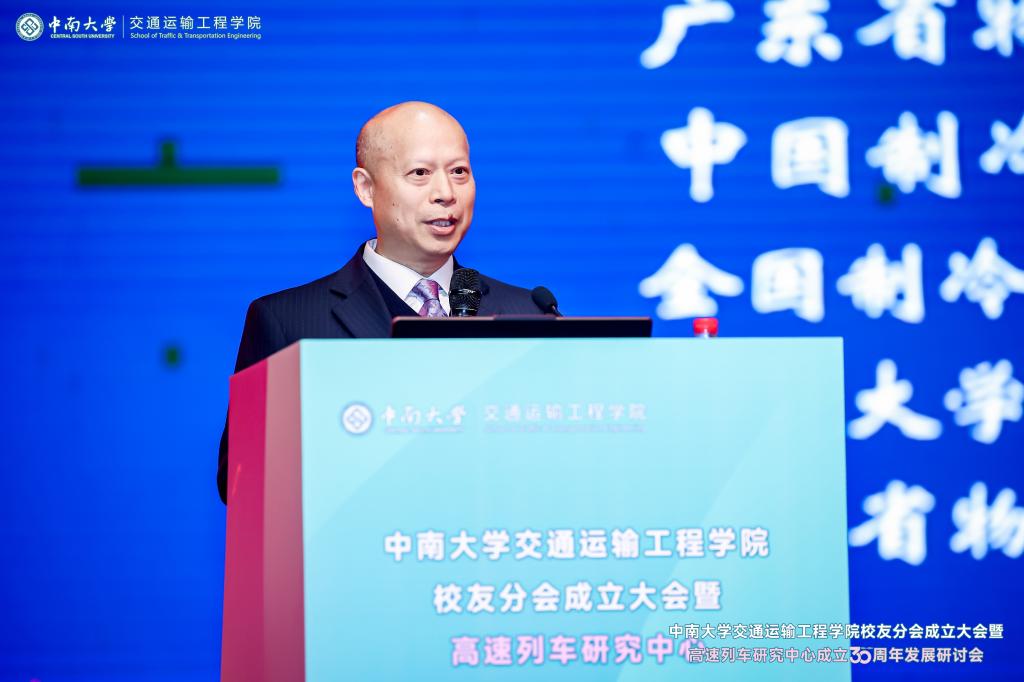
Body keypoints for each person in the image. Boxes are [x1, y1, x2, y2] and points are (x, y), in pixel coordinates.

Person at [217, 101, 546, 503]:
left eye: (459, 172)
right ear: (365, 188)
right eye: (420, 173)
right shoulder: (289, 323)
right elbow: (242, 482)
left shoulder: (531, 314)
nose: (446, 193)